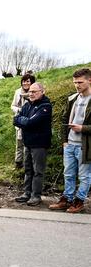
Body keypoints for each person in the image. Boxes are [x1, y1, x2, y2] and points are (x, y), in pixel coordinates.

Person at [49, 68, 91, 213]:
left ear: (89, 80)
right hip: (70, 144)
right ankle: (66, 199)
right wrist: (64, 141)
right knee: (68, 174)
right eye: (75, 82)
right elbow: (64, 120)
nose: (77, 85)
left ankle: (79, 201)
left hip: (86, 146)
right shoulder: (72, 98)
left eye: (80, 82)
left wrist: (83, 128)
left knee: (84, 176)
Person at [13, 82, 52, 206]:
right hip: (28, 142)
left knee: (37, 171)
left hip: (40, 144)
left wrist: (25, 121)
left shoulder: (45, 106)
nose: (31, 94)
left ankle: (36, 196)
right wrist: (25, 121)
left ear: (42, 92)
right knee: (28, 169)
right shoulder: (26, 105)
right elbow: (15, 119)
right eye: (30, 91)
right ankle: (27, 193)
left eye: (34, 91)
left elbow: (31, 123)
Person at [11, 73, 36, 169]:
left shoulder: (34, 91)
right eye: (23, 81)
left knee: (28, 143)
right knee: (19, 141)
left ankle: (28, 165)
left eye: (28, 81)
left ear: (32, 82)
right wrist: (18, 110)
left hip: (32, 120)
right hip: (20, 120)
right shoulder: (18, 92)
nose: (25, 83)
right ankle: (18, 163)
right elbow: (13, 105)